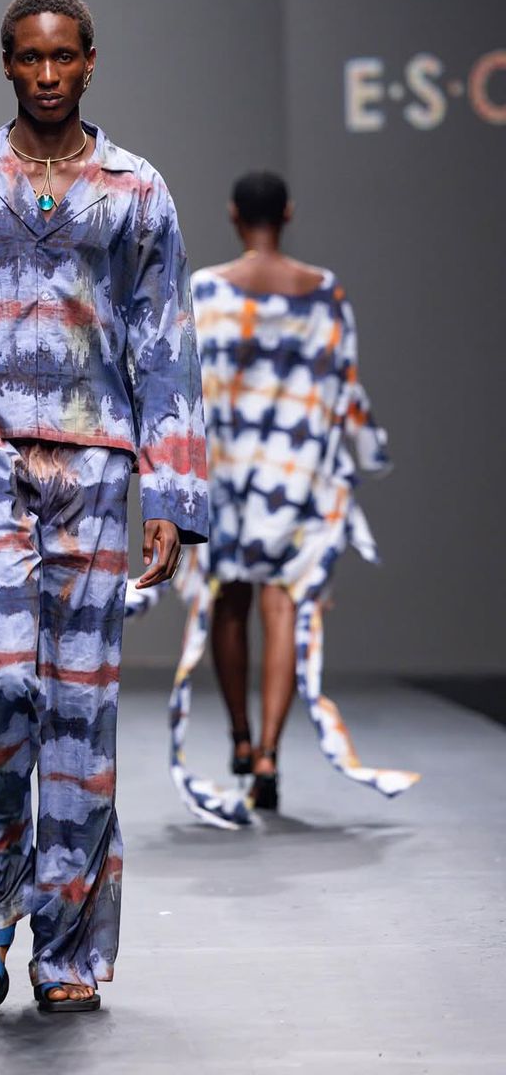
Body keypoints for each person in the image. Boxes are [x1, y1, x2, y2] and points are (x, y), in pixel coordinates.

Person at [0, 0, 207, 1012]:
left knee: (81, 707)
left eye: (64, 56)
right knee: (7, 680)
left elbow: (166, 343)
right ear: (7, 64)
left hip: (99, 462)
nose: (48, 74)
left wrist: (174, 489)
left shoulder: (136, 189)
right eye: (30, 57)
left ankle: (65, 951)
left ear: (91, 61)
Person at [126, 171, 419, 828]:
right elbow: (344, 387)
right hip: (295, 474)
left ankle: (238, 739)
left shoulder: (206, 291)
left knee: (227, 604)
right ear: (287, 214)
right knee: (284, 606)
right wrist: (367, 456)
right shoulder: (324, 292)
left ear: (234, 215)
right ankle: (266, 757)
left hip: (228, 472)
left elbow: (184, 384)